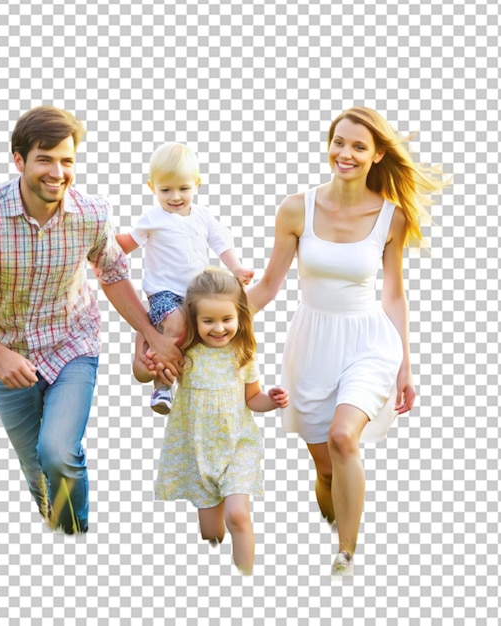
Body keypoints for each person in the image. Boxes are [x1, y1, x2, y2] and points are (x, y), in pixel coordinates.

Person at [0, 106, 183, 534]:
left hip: (73, 346)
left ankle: (74, 534)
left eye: (67, 160)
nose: (58, 171)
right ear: (19, 160)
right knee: (35, 468)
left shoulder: (91, 213)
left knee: (59, 453)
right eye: (45, 159)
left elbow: (113, 272)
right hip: (10, 358)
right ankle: (54, 524)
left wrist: (151, 335)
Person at [248, 107, 447, 575]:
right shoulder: (297, 208)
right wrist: (207, 326)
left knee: (343, 438)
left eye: (359, 146)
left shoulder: (391, 217)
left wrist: (406, 367)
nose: (346, 153)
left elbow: (394, 294)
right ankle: (333, 505)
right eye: (340, 142)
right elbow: (269, 285)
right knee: (325, 467)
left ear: (377, 155)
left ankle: (346, 555)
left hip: (370, 342)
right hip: (312, 346)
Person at [154, 268, 289, 575]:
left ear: (239, 316)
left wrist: (273, 399)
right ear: (193, 319)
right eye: (208, 321)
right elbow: (146, 370)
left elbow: (253, 399)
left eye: (226, 319)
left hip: (236, 447)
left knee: (238, 516)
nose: (219, 328)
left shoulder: (241, 353)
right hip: (196, 450)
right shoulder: (184, 353)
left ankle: (247, 577)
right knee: (211, 534)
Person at [115, 142, 253, 414]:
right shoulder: (152, 218)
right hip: (163, 292)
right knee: (176, 325)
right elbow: (126, 244)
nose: (175, 197)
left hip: (196, 293)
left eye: (184, 188)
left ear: (197, 184)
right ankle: (162, 387)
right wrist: (100, 239)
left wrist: (236, 268)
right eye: (166, 190)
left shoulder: (202, 216)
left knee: (203, 333)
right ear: (152, 187)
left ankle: (203, 382)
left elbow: (220, 242)